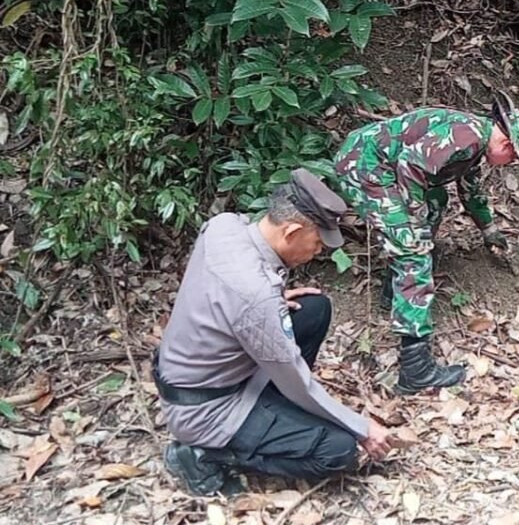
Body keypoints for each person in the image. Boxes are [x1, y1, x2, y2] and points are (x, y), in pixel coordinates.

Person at [155, 169, 392, 496]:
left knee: (314, 309)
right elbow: (298, 384)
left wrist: (272, 301)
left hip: (194, 375)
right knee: (338, 450)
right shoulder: (255, 296)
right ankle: (204, 455)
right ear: (292, 232)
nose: (318, 251)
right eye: (318, 242)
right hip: (207, 409)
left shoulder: (225, 225)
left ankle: (276, 415)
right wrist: (361, 427)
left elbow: (220, 288)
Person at [334, 92, 519, 395]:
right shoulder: (467, 135)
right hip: (367, 166)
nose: (508, 163)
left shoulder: (474, 147)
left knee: (436, 199)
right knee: (414, 251)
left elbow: (470, 192)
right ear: (507, 145)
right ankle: (415, 369)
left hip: (383, 167)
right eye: (512, 158)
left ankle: (396, 290)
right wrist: (414, 220)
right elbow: (409, 165)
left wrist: (489, 230)